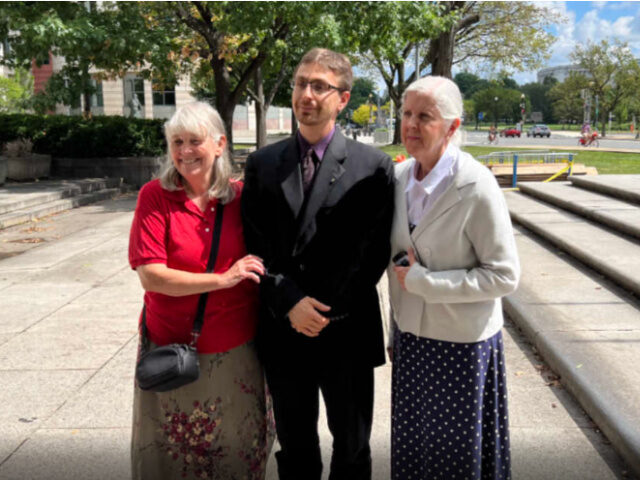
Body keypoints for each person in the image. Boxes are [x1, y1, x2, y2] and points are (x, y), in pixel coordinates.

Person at [241, 48, 395, 480]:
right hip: (283, 329)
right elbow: (255, 246)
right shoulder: (262, 164)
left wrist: (320, 308)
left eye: (319, 86)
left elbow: (372, 254)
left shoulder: (374, 167)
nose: (305, 94)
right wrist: (290, 302)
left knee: (352, 449)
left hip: (345, 329)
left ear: (343, 98)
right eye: (299, 83)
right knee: (295, 450)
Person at [129, 102, 273, 480]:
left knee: (235, 452)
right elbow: (152, 276)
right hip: (170, 348)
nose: (185, 151)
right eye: (177, 141)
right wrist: (222, 279)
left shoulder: (243, 198)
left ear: (220, 144)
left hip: (235, 350)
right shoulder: (154, 196)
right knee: (172, 456)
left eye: (195, 140)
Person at [388, 76, 520, 479]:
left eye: (424, 116)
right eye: (407, 113)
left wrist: (426, 283)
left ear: (453, 126)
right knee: (415, 451)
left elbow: (504, 275)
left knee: (454, 459)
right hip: (411, 340)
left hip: (459, 347)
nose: (410, 124)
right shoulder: (399, 179)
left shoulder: (476, 186)